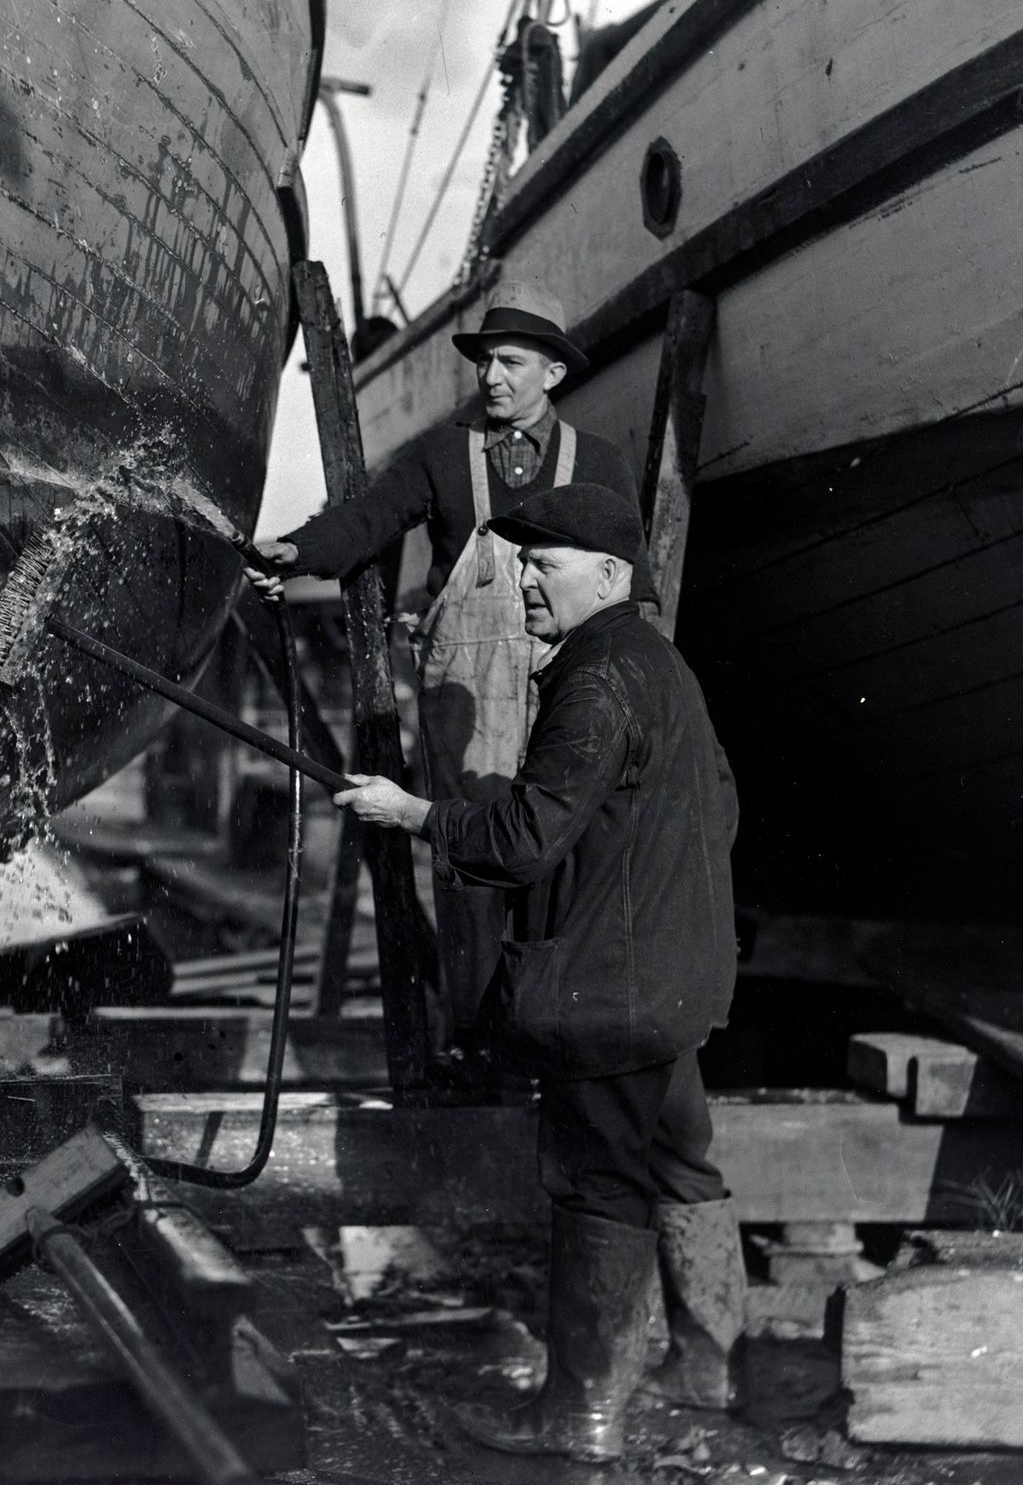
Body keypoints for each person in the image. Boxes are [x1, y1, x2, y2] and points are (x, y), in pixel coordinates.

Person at [332, 483, 744, 1464]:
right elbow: (717, 806)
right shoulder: (662, 667)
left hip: (605, 996)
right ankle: (708, 1370)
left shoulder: (596, 676)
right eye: (521, 560)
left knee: (598, 1185)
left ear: (610, 575)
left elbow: (522, 841)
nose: (524, 576)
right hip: (673, 987)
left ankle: (580, 1418)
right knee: (681, 1164)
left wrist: (416, 813)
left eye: (546, 562)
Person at [249, 291, 640, 1078]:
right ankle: (479, 1045)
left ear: (553, 372)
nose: (491, 376)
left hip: (570, 692)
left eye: (510, 362)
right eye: (485, 362)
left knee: (567, 858)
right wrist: (298, 551)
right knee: (469, 871)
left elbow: (632, 582)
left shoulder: (599, 463)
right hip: (468, 699)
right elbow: (369, 518)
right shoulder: (442, 454)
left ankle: (560, 1040)